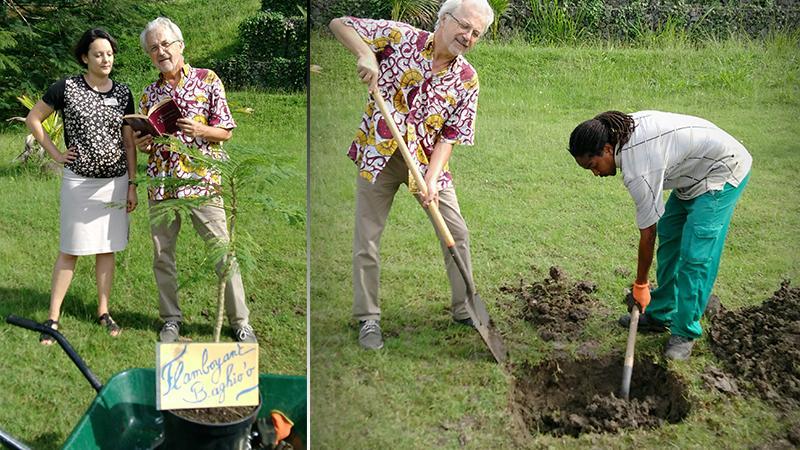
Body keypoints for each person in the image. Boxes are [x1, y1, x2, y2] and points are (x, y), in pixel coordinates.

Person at [329, 0, 494, 350]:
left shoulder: (467, 79)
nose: (468, 36)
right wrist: (365, 54)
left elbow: (451, 135)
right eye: (464, 26)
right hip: (379, 151)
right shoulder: (398, 37)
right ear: (444, 19)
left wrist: (432, 179)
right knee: (367, 237)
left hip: (427, 161)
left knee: (456, 232)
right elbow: (339, 23)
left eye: (476, 33)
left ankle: (465, 307)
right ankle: (368, 318)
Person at [568, 110, 752, 360]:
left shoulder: (638, 170)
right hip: (692, 172)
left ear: (608, 150)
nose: (596, 173)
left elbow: (648, 233)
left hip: (722, 170)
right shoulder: (621, 133)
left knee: (695, 256)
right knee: (671, 233)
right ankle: (661, 312)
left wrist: (641, 285)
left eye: (593, 165)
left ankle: (685, 331)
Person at [133, 17, 256, 343]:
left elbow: (226, 131)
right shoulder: (149, 93)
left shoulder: (208, 80)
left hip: (203, 182)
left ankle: (240, 321)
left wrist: (200, 130)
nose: (161, 51)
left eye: (165, 44)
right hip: (163, 183)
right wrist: (143, 143)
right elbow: (148, 139)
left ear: (180, 45)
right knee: (163, 255)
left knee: (222, 252)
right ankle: (171, 319)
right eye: (153, 48)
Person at [26, 28, 137, 344]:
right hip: (79, 183)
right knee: (70, 249)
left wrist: (131, 184)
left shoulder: (123, 92)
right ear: (85, 57)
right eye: (99, 54)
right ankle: (53, 317)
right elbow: (35, 118)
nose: (106, 59)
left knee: (106, 247)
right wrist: (57, 154)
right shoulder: (67, 87)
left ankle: (103, 311)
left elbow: (128, 143)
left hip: (114, 182)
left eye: (110, 54)